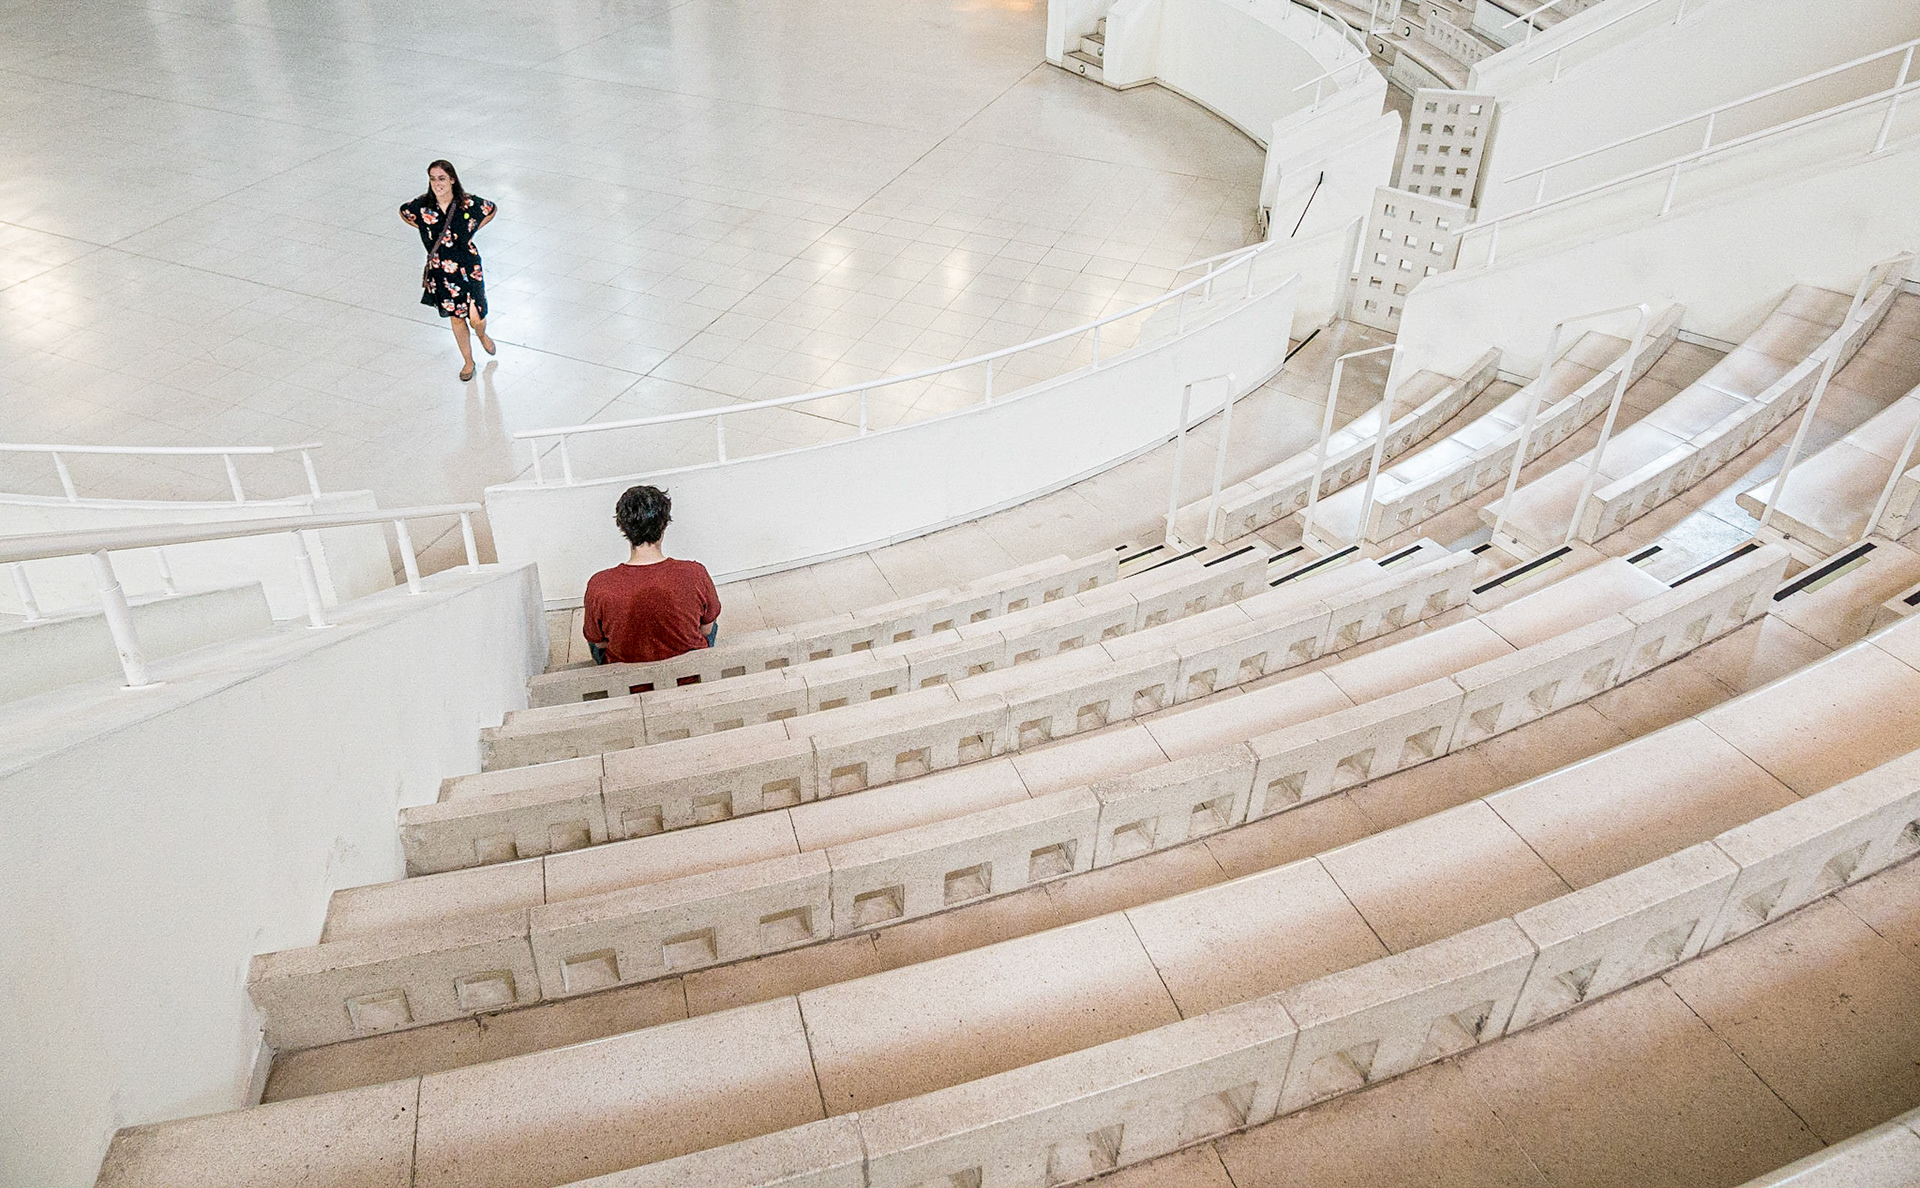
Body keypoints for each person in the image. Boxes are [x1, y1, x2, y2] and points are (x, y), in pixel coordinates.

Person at [583, 485, 721, 666]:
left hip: (630, 682)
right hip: (689, 674)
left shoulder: (599, 585)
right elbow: (706, 630)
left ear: (623, 528)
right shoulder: (695, 573)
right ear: (664, 525)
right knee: (710, 618)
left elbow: (598, 641)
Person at [398, 159, 497, 381]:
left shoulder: (467, 204)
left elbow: (490, 208)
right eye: (433, 179)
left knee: (476, 316)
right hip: (442, 270)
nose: (437, 183)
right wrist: (426, 230)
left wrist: (471, 229)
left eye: (441, 178)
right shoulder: (423, 207)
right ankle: (468, 362)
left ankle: (481, 334)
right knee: (456, 317)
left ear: (452, 179)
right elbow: (404, 212)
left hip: (469, 266)